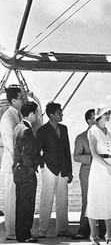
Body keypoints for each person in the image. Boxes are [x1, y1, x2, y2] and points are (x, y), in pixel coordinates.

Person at [87, 106, 111, 245]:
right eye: (105, 114)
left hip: (109, 169)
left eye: (109, 113)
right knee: (95, 200)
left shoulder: (109, 132)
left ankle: (109, 235)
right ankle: (93, 236)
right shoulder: (93, 131)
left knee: (110, 200)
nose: (108, 116)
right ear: (99, 116)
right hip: (99, 169)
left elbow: (110, 154)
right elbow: (94, 154)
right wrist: (108, 166)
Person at [36, 102, 73, 238]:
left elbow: (67, 150)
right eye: (59, 112)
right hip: (49, 168)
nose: (62, 114)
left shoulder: (64, 129)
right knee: (46, 199)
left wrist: (69, 170)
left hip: (63, 168)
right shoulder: (42, 130)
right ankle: (42, 230)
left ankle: (62, 229)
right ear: (51, 115)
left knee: (63, 200)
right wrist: (42, 164)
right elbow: (36, 150)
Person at [72, 109, 106, 240]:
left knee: (103, 199)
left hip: (102, 172)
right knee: (87, 200)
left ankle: (103, 231)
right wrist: (93, 158)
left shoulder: (104, 135)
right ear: (89, 121)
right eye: (94, 118)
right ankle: (83, 230)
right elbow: (76, 156)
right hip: (87, 172)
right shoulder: (81, 137)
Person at [13, 101, 40, 243]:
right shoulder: (27, 130)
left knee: (20, 204)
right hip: (26, 172)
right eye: (36, 113)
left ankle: (21, 234)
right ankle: (26, 235)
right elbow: (27, 153)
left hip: (18, 171)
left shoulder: (17, 128)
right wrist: (30, 170)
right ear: (31, 113)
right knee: (27, 205)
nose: (36, 116)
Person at [1, 85, 25, 241]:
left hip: (18, 164)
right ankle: (10, 232)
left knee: (18, 198)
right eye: (21, 98)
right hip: (11, 165)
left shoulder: (17, 115)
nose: (23, 100)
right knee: (10, 199)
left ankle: (17, 229)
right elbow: (11, 145)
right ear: (14, 100)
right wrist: (22, 161)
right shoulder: (8, 118)